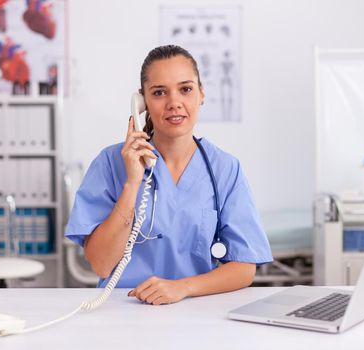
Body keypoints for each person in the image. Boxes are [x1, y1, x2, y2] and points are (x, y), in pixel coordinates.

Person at [65, 45, 272, 305]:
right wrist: (132, 184)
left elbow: (244, 268)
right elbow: (101, 265)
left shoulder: (225, 169)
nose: (174, 103)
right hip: (122, 311)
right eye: (159, 92)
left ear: (201, 95)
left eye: (185, 89)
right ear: (142, 103)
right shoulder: (110, 163)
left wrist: (182, 288)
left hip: (196, 309)